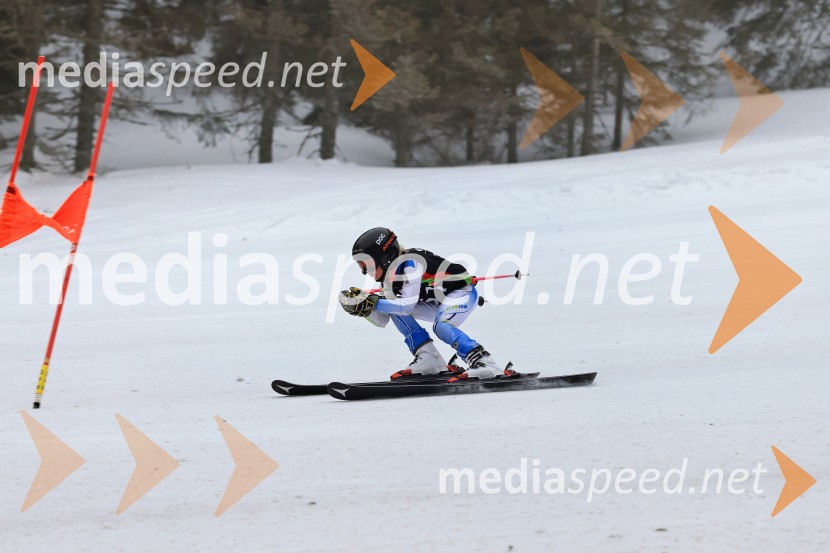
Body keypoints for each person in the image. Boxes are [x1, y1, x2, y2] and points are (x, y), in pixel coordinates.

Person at [340, 227, 513, 381]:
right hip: (438, 302)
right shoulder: (388, 280)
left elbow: (406, 306)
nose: (364, 272)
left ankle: (484, 362)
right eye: (360, 266)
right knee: (391, 306)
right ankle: (429, 358)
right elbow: (382, 320)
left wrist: (374, 302)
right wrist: (361, 309)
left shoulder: (411, 262)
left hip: (462, 293)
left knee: (441, 326)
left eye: (366, 265)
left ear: (384, 257)